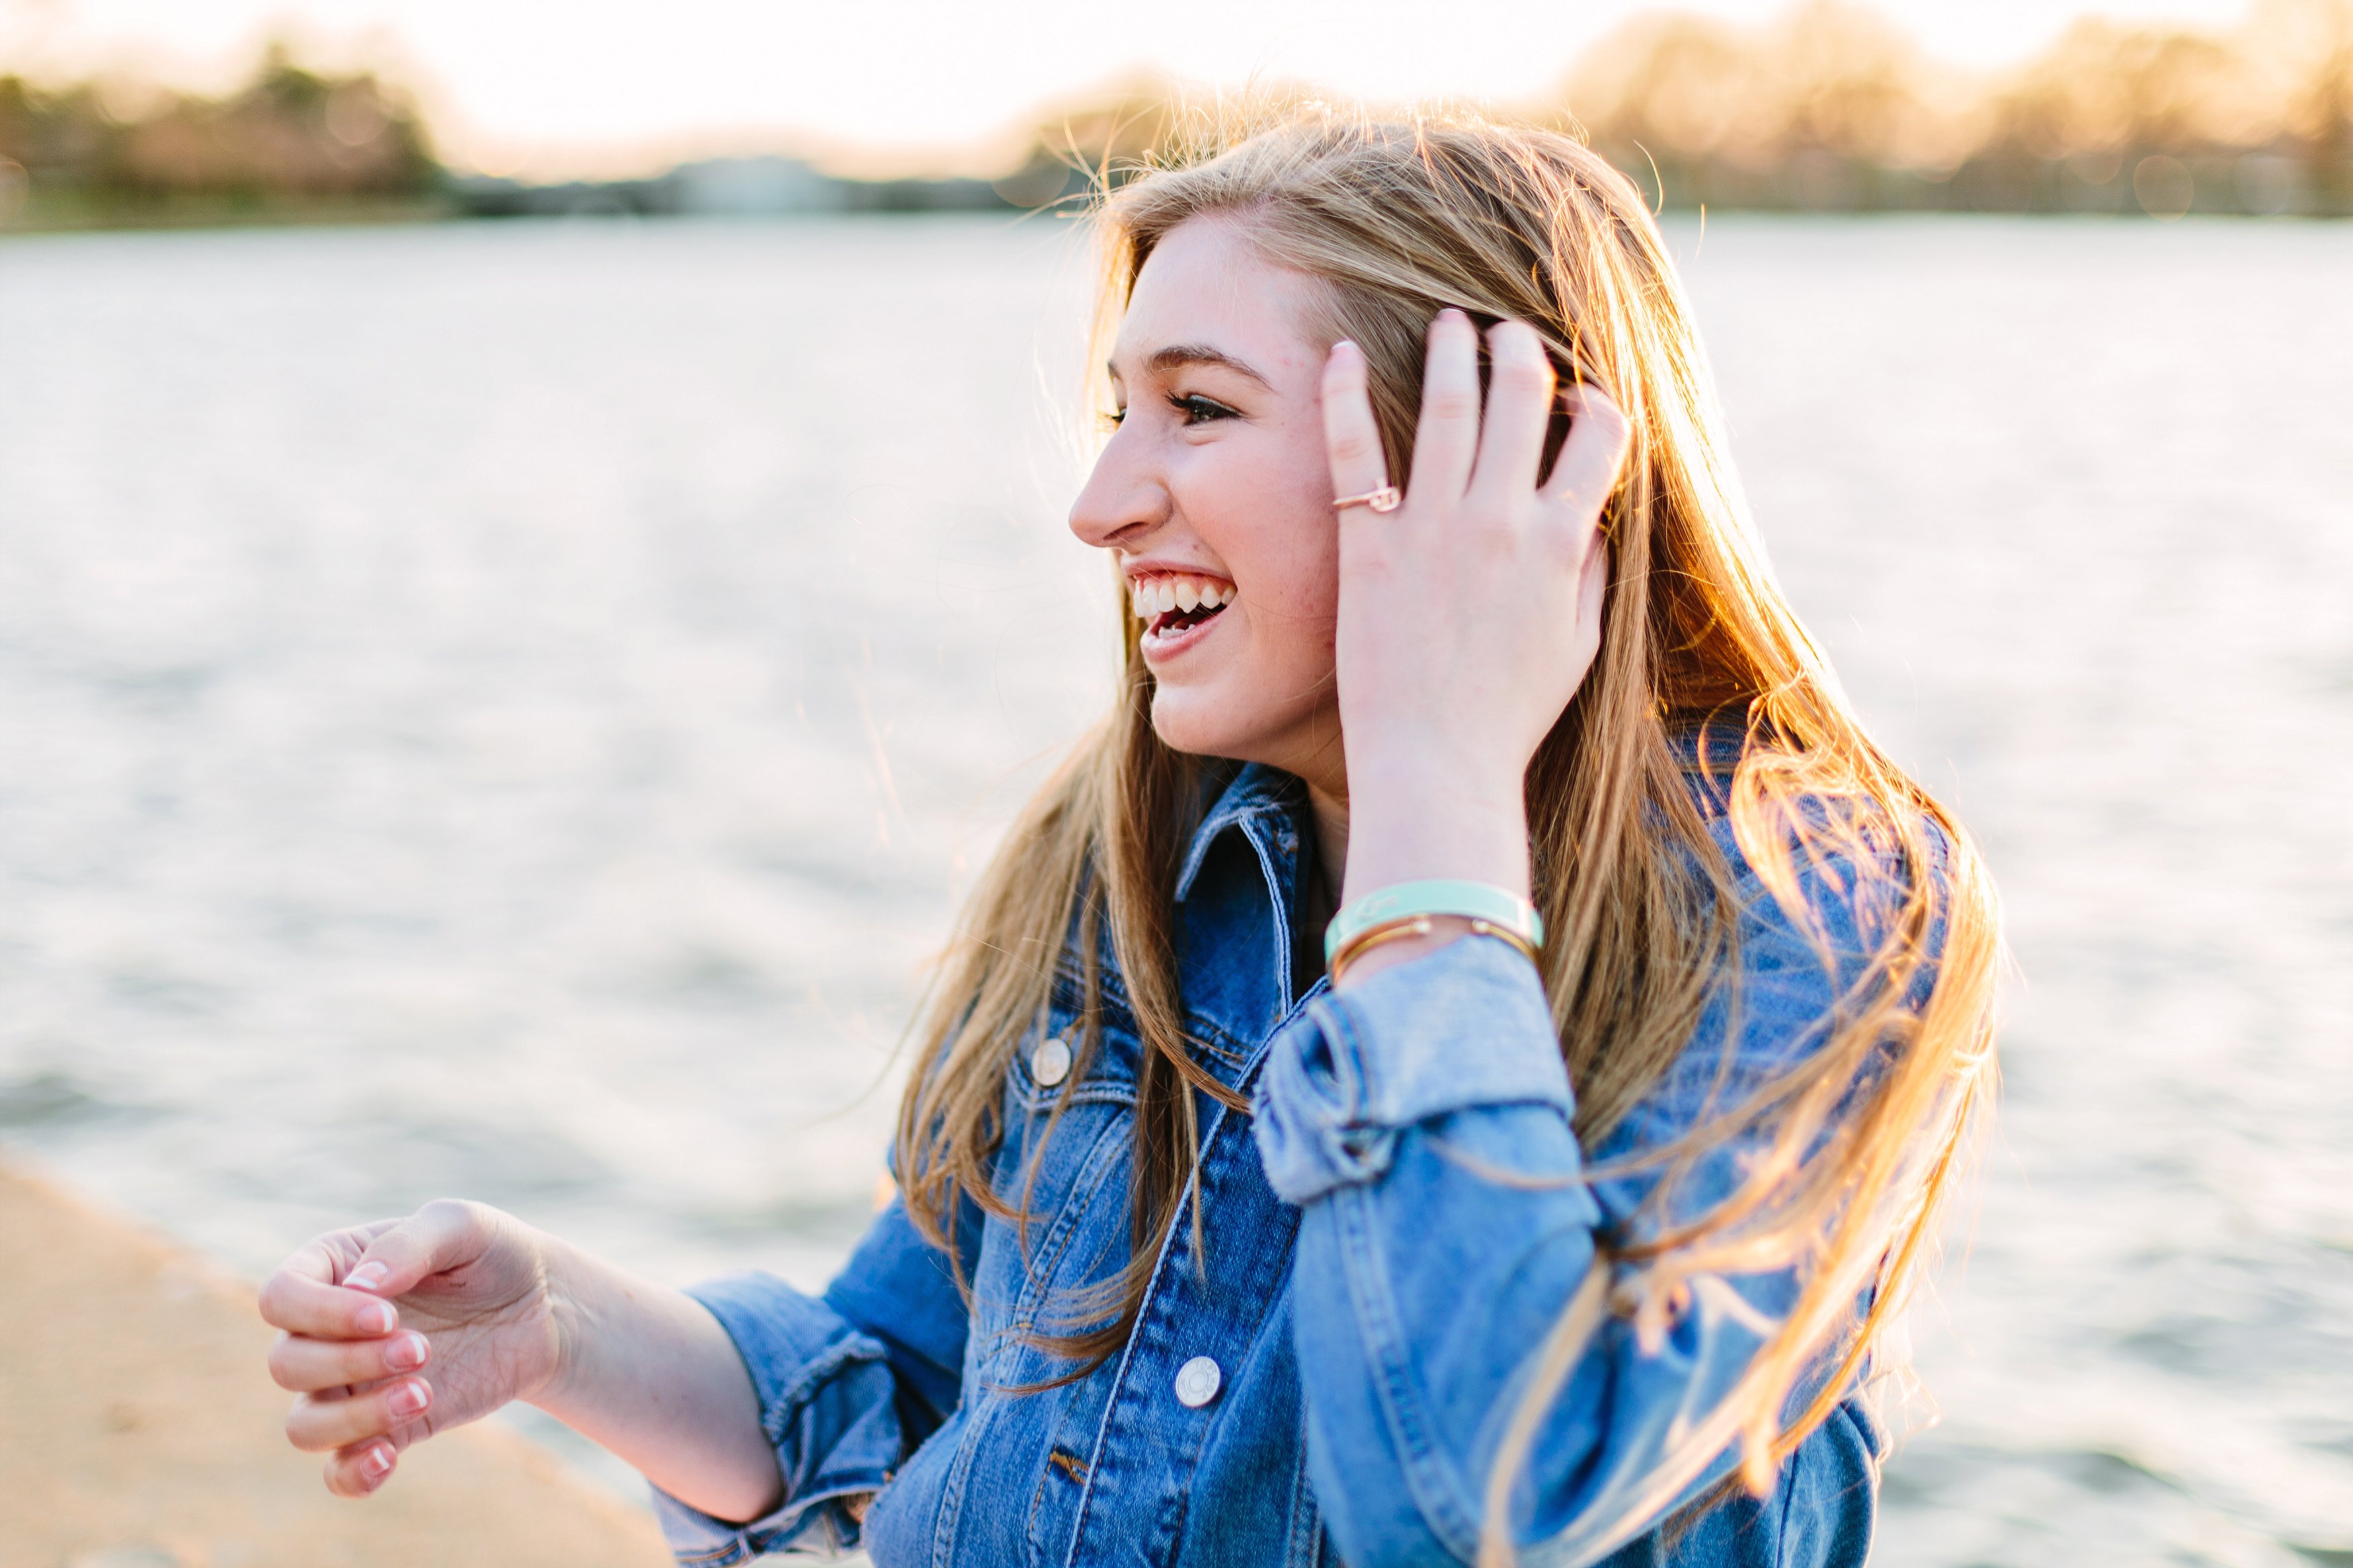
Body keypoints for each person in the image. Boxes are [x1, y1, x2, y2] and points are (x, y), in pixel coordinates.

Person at [257, 112, 1999, 1567]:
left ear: (1488, 456)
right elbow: (900, 1383)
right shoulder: (1115, 865)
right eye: (1120, 409)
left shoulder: (1808, 907)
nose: (1097, 504)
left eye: (1201, 408)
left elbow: (1488, 1498)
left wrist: (1433, 821)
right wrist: (556, 1322)